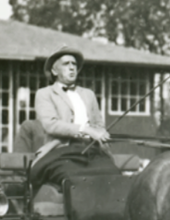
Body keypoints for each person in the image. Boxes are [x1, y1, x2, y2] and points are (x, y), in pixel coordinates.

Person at [31, 46, 119, 189]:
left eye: (74, 64)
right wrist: (86, 130)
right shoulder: (45, 94)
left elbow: (98, 125)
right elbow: (51, 124)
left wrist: (100, 133)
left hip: (91, 151)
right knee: (77, 181)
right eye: (66, 64)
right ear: (54, 71)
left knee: (113, 176)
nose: (72, 68)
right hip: (61, 153)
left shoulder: (88, 94)